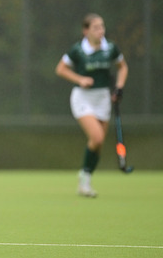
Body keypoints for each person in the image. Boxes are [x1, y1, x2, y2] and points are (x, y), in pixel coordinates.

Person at [55, 13, 128, 198]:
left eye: (102, 26)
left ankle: (85, 177)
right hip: (83, 98)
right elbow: (61, 69)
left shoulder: (110, 48)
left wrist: (119, 88)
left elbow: (122, 67)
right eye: (96, 28)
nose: (100, 31)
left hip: (102, 98)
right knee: (97, 138)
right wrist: (79, 79)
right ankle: (84, 178)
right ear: (86, 31)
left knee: (98, 144)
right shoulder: (78, 50)